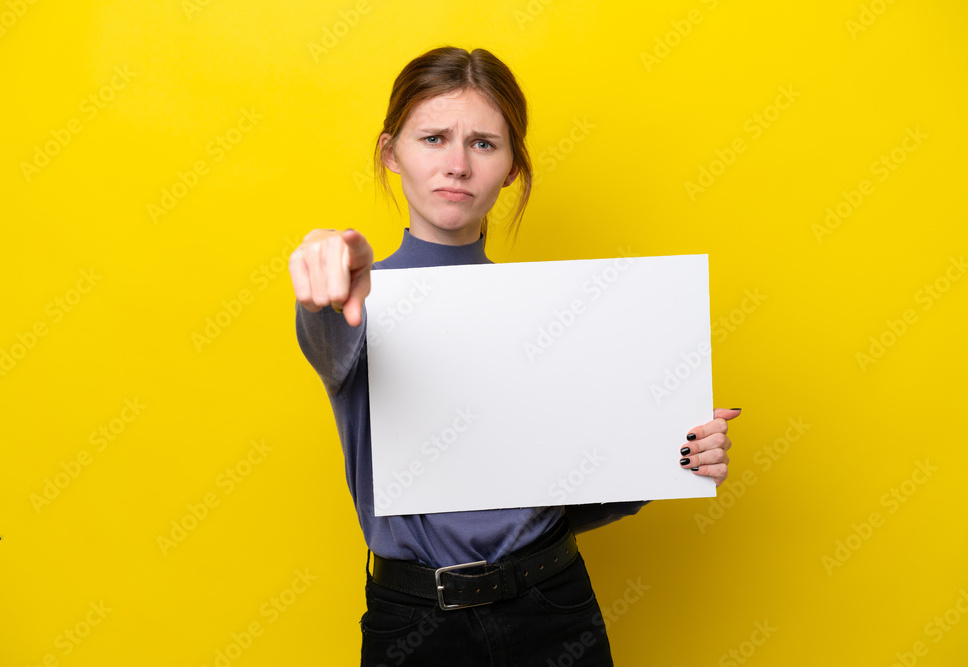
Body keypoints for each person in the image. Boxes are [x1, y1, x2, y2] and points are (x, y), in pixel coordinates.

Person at [290, 46, 740, 666]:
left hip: (553, 604)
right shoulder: (354, 296)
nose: (457, 164)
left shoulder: (553, 316)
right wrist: (324, 263)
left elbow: (560, 489)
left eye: (483, 144)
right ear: (391, 153)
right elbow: (324, 324)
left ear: (510, 168)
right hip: (416, 622)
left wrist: (672, 454)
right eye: (433, 138)